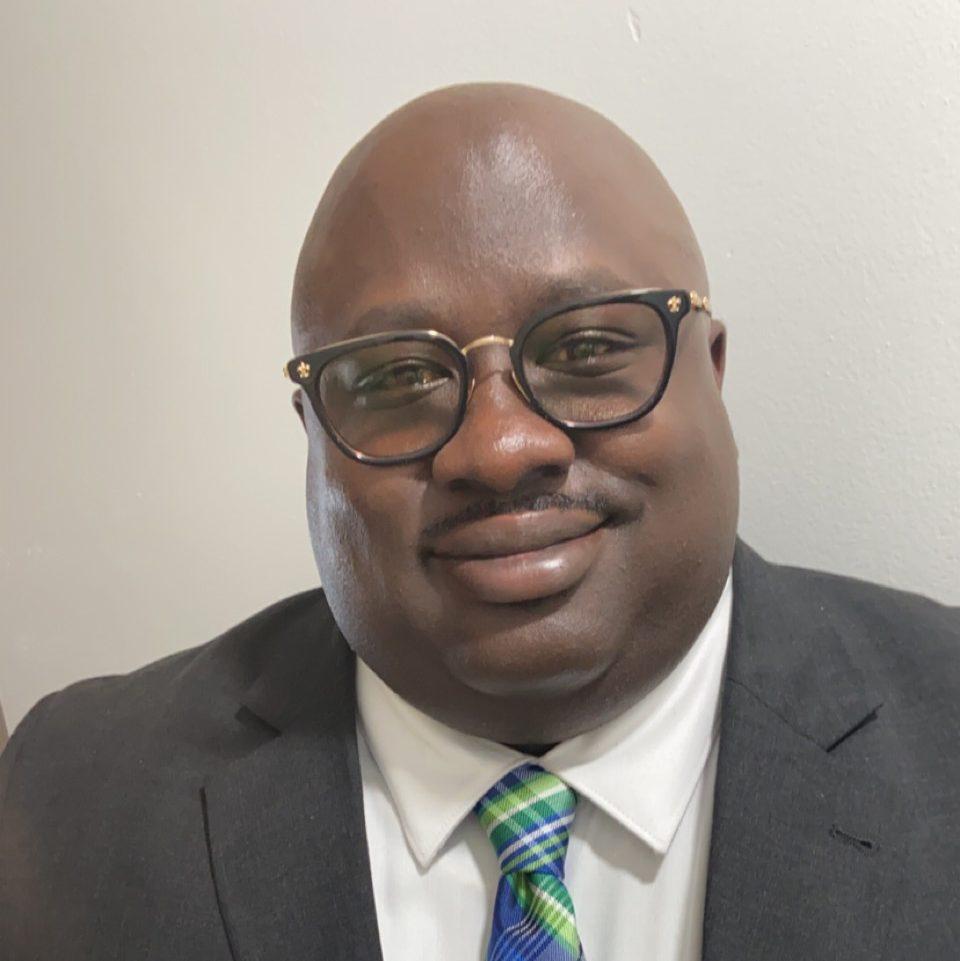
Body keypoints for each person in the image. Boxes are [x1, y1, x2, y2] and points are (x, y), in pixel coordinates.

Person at [0, 82, 957, 961]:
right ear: (313, 431)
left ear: (711, 370)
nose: (498, 448)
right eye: (397, 375)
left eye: (586, 347)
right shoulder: (65, 801)